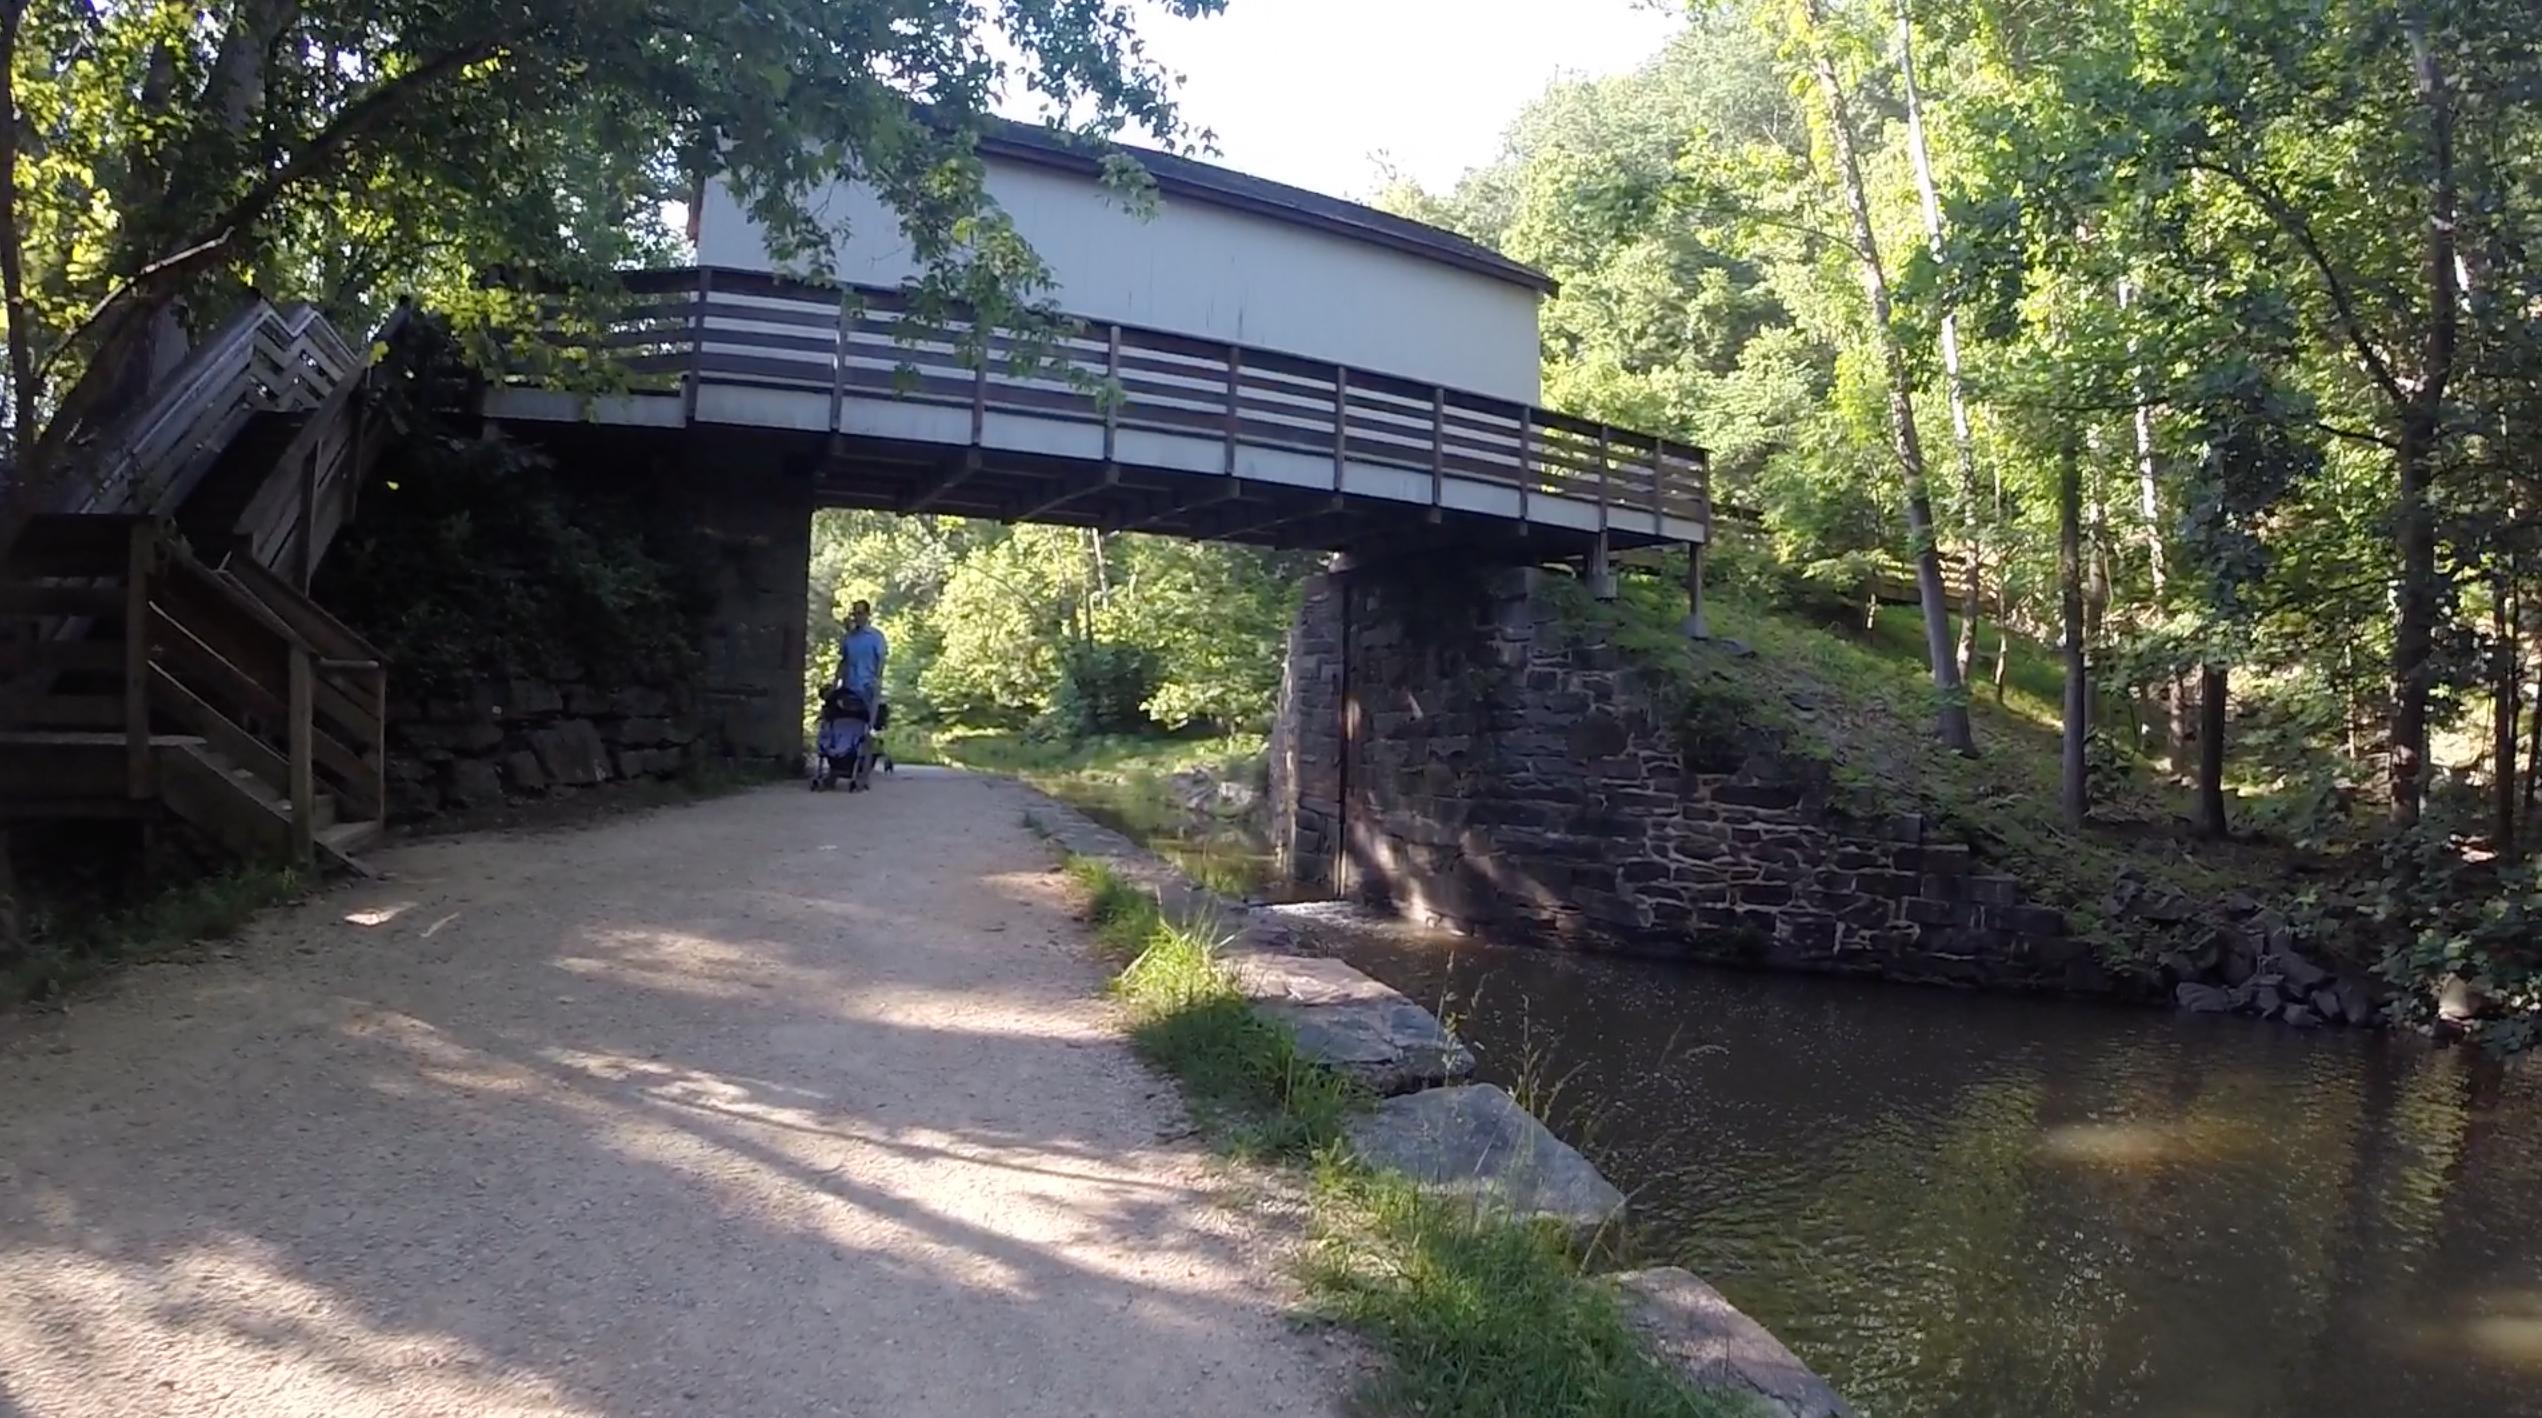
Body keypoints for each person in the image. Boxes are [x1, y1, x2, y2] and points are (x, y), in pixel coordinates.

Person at [838, 599, 888, 707]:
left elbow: (881, 662)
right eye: (855, 614)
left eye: (860, 613)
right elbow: (843, 663)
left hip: (867, 690)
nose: (857, 617)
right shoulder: (848, 638)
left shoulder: (876, 637)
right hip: (849, 690)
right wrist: (836, 685)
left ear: (867, 614)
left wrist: (876, 683)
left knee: (866, 721)